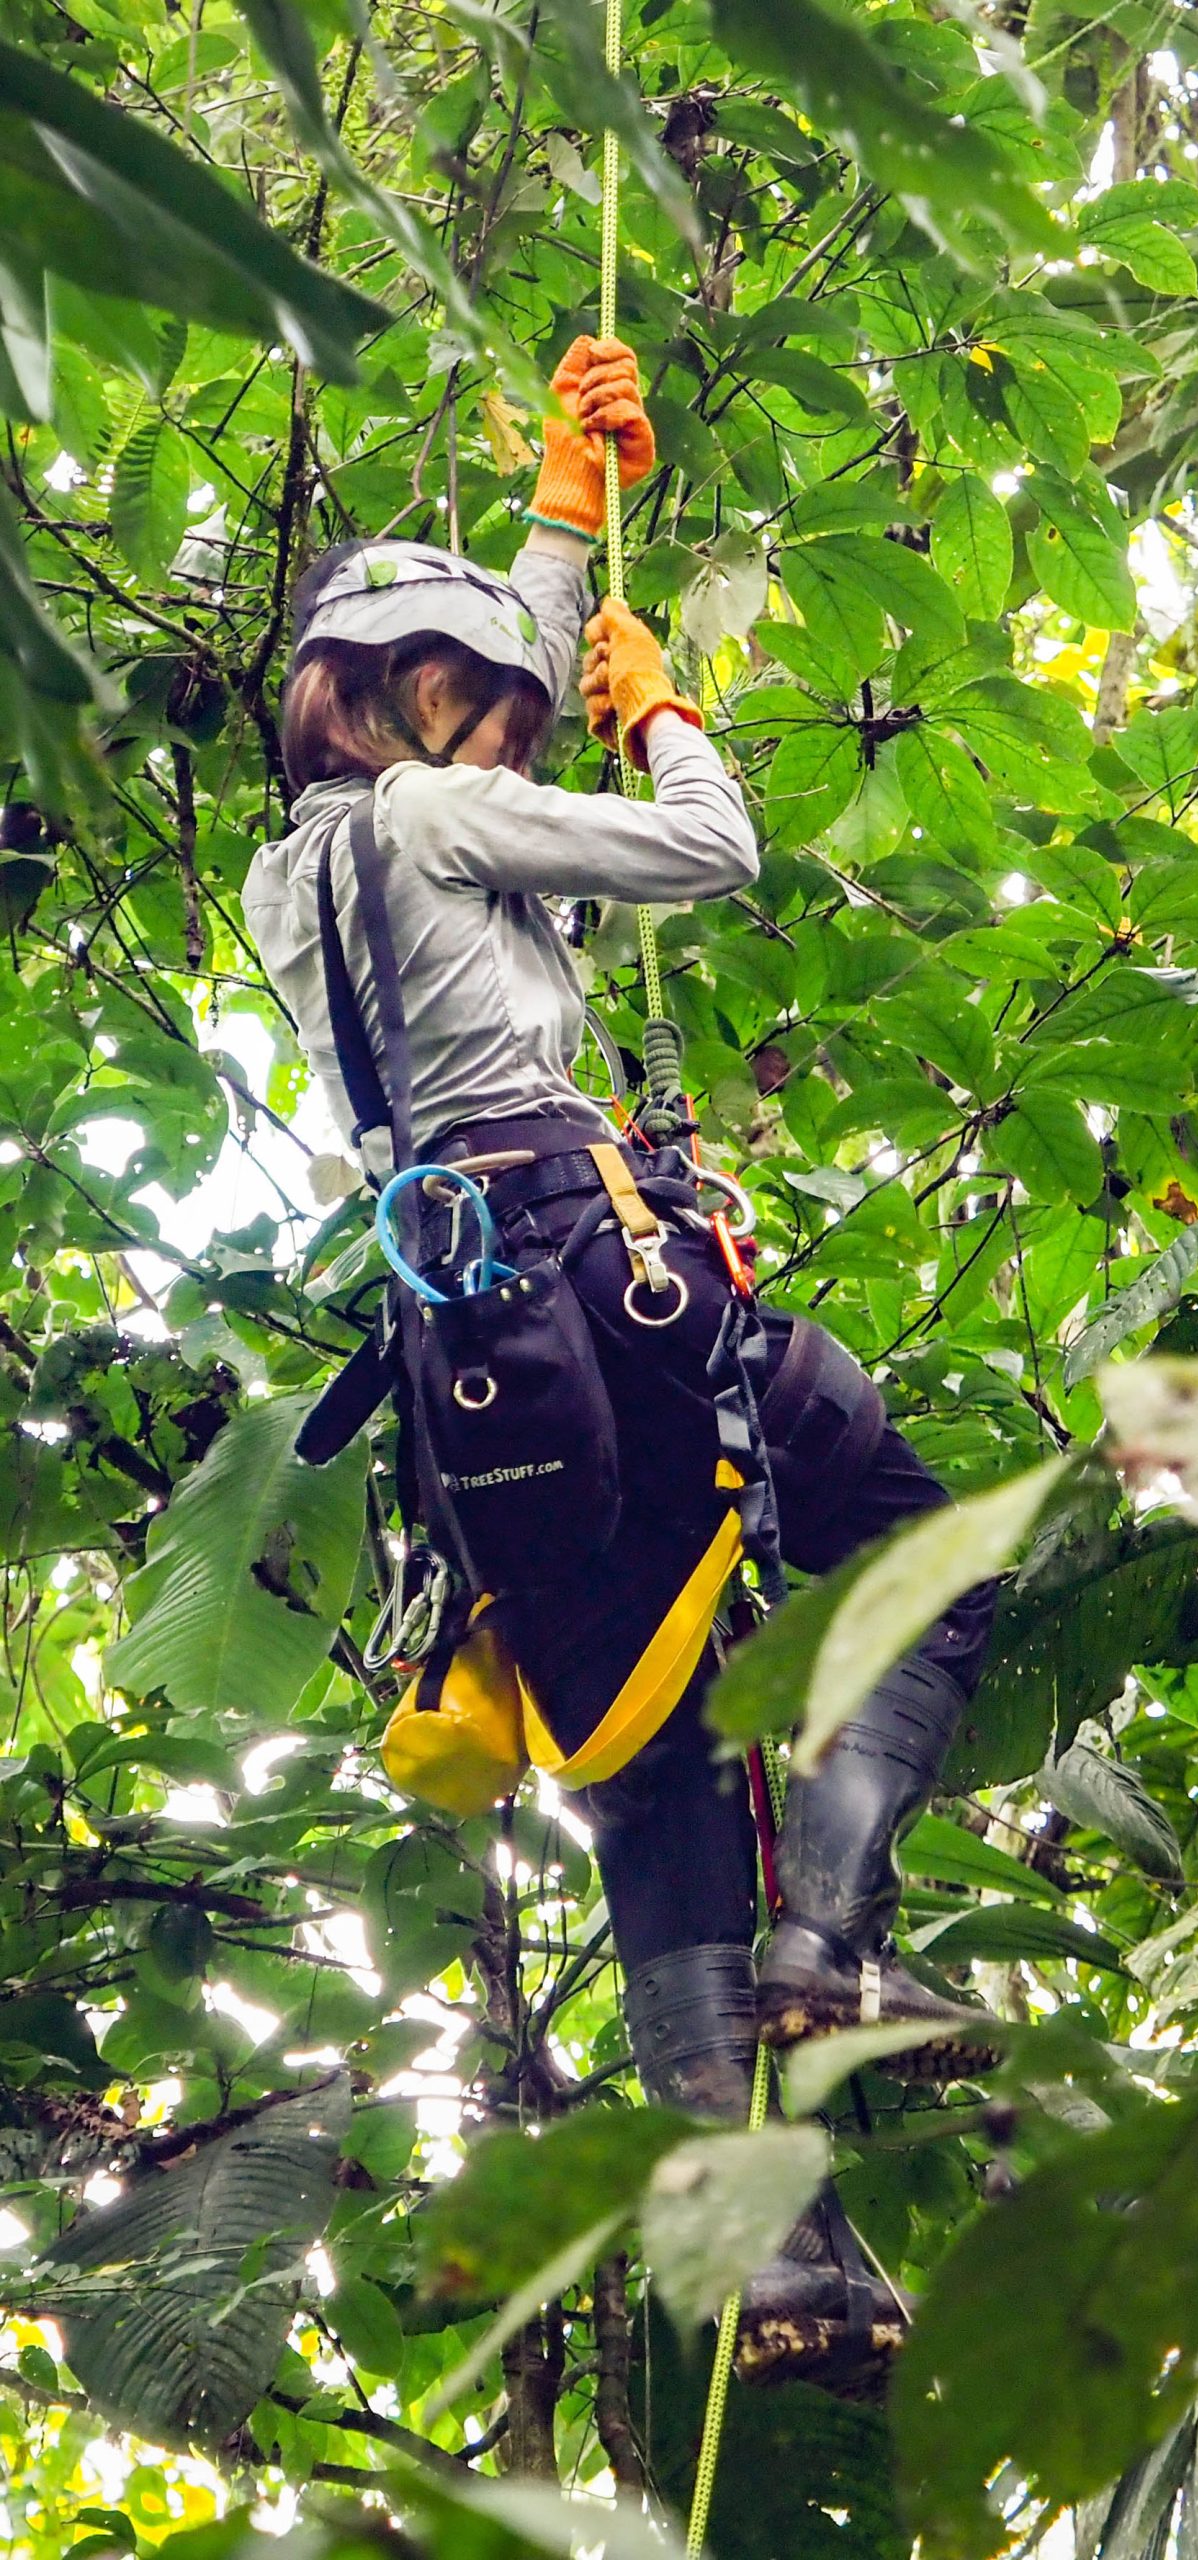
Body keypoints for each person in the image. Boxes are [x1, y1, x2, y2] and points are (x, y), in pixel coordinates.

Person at [243, 334, 997, 2392]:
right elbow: (711, 851)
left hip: (467, 1349)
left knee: (649, 1759)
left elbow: (488, 686)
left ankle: (780, 2266)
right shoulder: (440, 817)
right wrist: (659, 714)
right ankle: (828, 1945)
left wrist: (569, 511)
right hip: (611, 1266)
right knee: (936, 1550)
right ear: (403, 700)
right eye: (466, 692)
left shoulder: (289, 868)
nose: (498, 718)